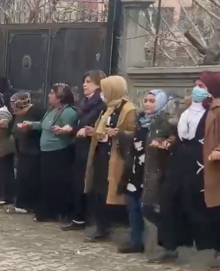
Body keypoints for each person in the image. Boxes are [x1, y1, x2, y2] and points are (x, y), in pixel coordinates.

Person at [156, 71, 220, 269]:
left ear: (211, 89)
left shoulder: (219, 111)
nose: (196, 89)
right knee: (171, 199)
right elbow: (181, 134)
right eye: (196, 85)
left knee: (204, 205)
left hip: (203, 163)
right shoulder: (187, 108)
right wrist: (169, 142)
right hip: (180, 160)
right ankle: (171, 246)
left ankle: (219, 249)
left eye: (201, 86)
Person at [116, 89, 172, 254]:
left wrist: (163, 143)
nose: (147, 104)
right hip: (135, 169)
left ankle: (162, 244)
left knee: (147, 208)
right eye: (146, 100)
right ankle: (136, 241)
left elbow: (171, 144)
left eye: (151, 101)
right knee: (132, 204)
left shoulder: (164, 123)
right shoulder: (140, 120)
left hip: (151, 171)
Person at [82, 76, 137, 241]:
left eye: (106, 90)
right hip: (101, 152)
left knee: (111, 191)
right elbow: (103, 128)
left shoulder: (127, 109)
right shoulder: (107, 108)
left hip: (116, 155)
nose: (103, 94)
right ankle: (100, 225)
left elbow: (133, 132)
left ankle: (110, 226)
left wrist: (117, 134)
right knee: (98, 189)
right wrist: (96, 132)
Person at [18, 83, 77, 222]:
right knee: (45, 182)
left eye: (52, 93)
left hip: (58, 152)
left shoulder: (68, 112)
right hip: (45, 151)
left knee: (56, 182)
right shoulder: (50, 110)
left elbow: (70, 130)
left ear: (60, 97)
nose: (49, 95)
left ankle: (57, 212)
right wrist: (31, 124)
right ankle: (46, 210)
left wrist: (63, 130)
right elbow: (44, 125)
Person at [62, 70, 107, 232]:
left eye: (89, 81)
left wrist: (82, 129)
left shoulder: (100, 103)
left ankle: (86, 218)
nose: (84, 84)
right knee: (77, 181)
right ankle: (78, 216)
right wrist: (71, 128)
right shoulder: (86, 102)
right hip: (80, 146)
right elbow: (80, 122)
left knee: (86, 182)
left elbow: (93, 123)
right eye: (84, 81)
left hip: (91, 148)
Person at [10, 92, 44, 214]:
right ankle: (21, 203)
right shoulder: (17, 115)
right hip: (23, 149)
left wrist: (30, 128)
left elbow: (42, 128)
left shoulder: (37, 112)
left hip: (34, 150)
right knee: (21, 177)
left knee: (31, 178)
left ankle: (30, 204)